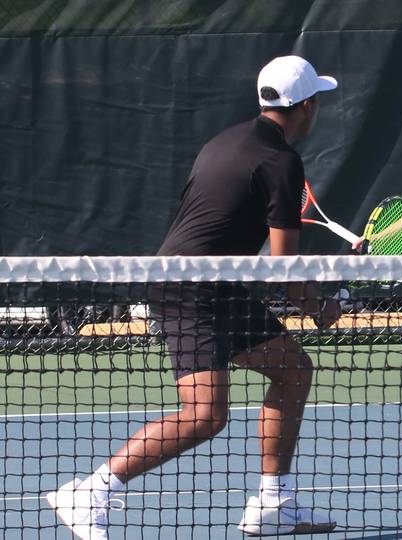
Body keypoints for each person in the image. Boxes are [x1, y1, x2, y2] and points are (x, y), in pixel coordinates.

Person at [47, 55, 342, 538]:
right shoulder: (281, 161)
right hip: (190, 291)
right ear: (307, 105)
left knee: (292, 369)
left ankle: (273, 502)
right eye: (318, 102)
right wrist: (319, 308)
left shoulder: (226, 139)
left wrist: (311, 302)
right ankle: (90, 491)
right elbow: (283, 269)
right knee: (205, 416)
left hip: (213, 283)